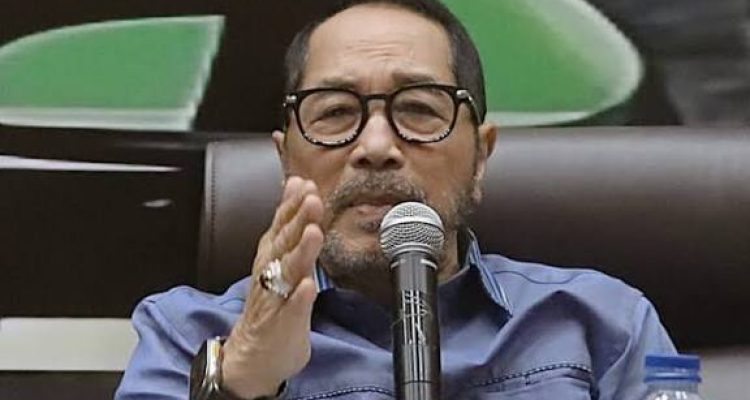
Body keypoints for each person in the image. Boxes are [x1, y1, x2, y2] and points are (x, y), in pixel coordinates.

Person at [116, 0, 676, 398]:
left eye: (418, 110)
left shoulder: (606, 323)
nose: (377, 147)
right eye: (336, 113)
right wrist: (240, 379)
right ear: (287, 159)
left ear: (481, 155)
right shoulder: (187, 335)